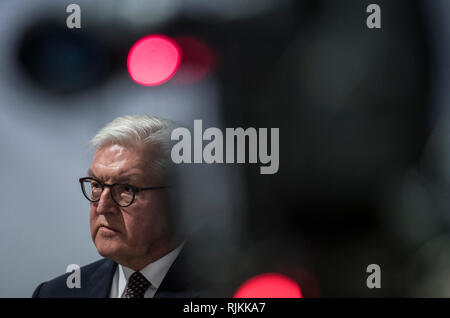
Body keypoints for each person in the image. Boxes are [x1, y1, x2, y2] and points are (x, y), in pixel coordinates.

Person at [32, 115, 207, 298]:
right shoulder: (54, 293)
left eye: (126, 188)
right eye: (97, 186)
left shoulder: (226, 292)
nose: (102, 207)